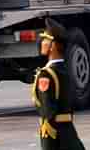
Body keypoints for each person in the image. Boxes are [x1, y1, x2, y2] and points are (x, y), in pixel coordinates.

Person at [32, 18, 85, 150]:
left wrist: (47, 143)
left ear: (53, 46)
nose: (42, 43)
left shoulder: (46, 74)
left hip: (55, 135)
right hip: (69, 132)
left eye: (45, 40)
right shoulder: (66, 70)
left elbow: (48, 111)